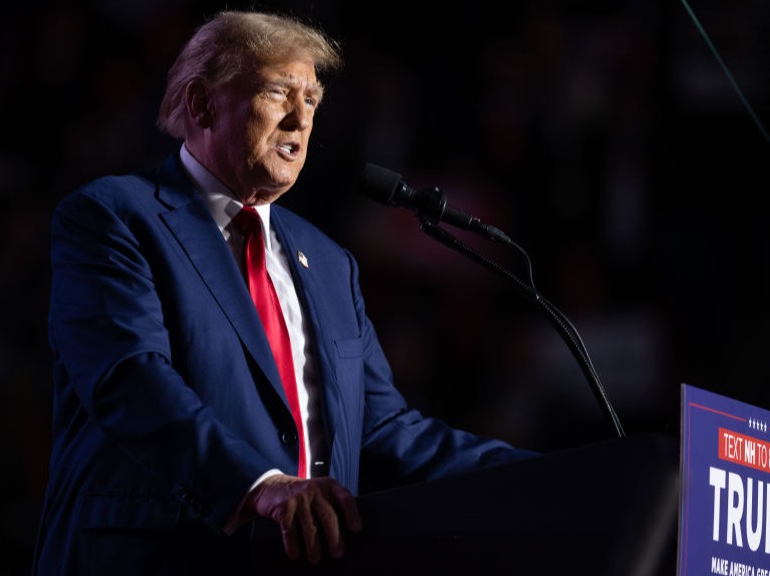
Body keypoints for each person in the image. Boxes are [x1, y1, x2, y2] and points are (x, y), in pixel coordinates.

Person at [31, 10, 536, 575]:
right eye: (279, 93)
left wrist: (550, 477)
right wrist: (261, 486)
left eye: (313, 100)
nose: (301, 120)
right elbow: (130, 381)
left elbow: (386, 433)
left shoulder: (327, 262)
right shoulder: (114, 218)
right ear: (201, 105)